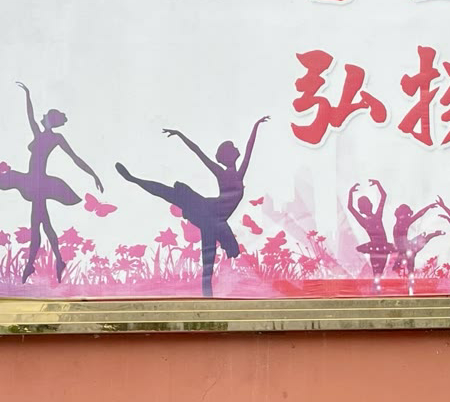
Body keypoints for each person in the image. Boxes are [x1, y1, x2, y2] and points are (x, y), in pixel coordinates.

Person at [115, 118, 268, 298]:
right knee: (170, 193)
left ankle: (207, 296)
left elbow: (249, 146)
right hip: (209, 210)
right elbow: (198, 152)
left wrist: (256, 125)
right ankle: (133, 179)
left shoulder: (238, 173)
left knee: (209, 259)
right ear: (228, 156)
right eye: (233, 147)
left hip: (216, 219)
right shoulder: (221, 172)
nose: (237, 148)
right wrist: (180, 135)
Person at [1, 82, 104, 283]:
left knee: (38, 224)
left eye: (45, 116)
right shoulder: (41, 134)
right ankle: (56, 261)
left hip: (37, 183)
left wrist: (93, 174)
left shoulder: (54, 138)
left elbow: (75, 158)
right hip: (33, 181)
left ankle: (33, 265)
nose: (41, 117)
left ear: (49, 120)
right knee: (43, 223)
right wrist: (28, 95)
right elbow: (30, 116)